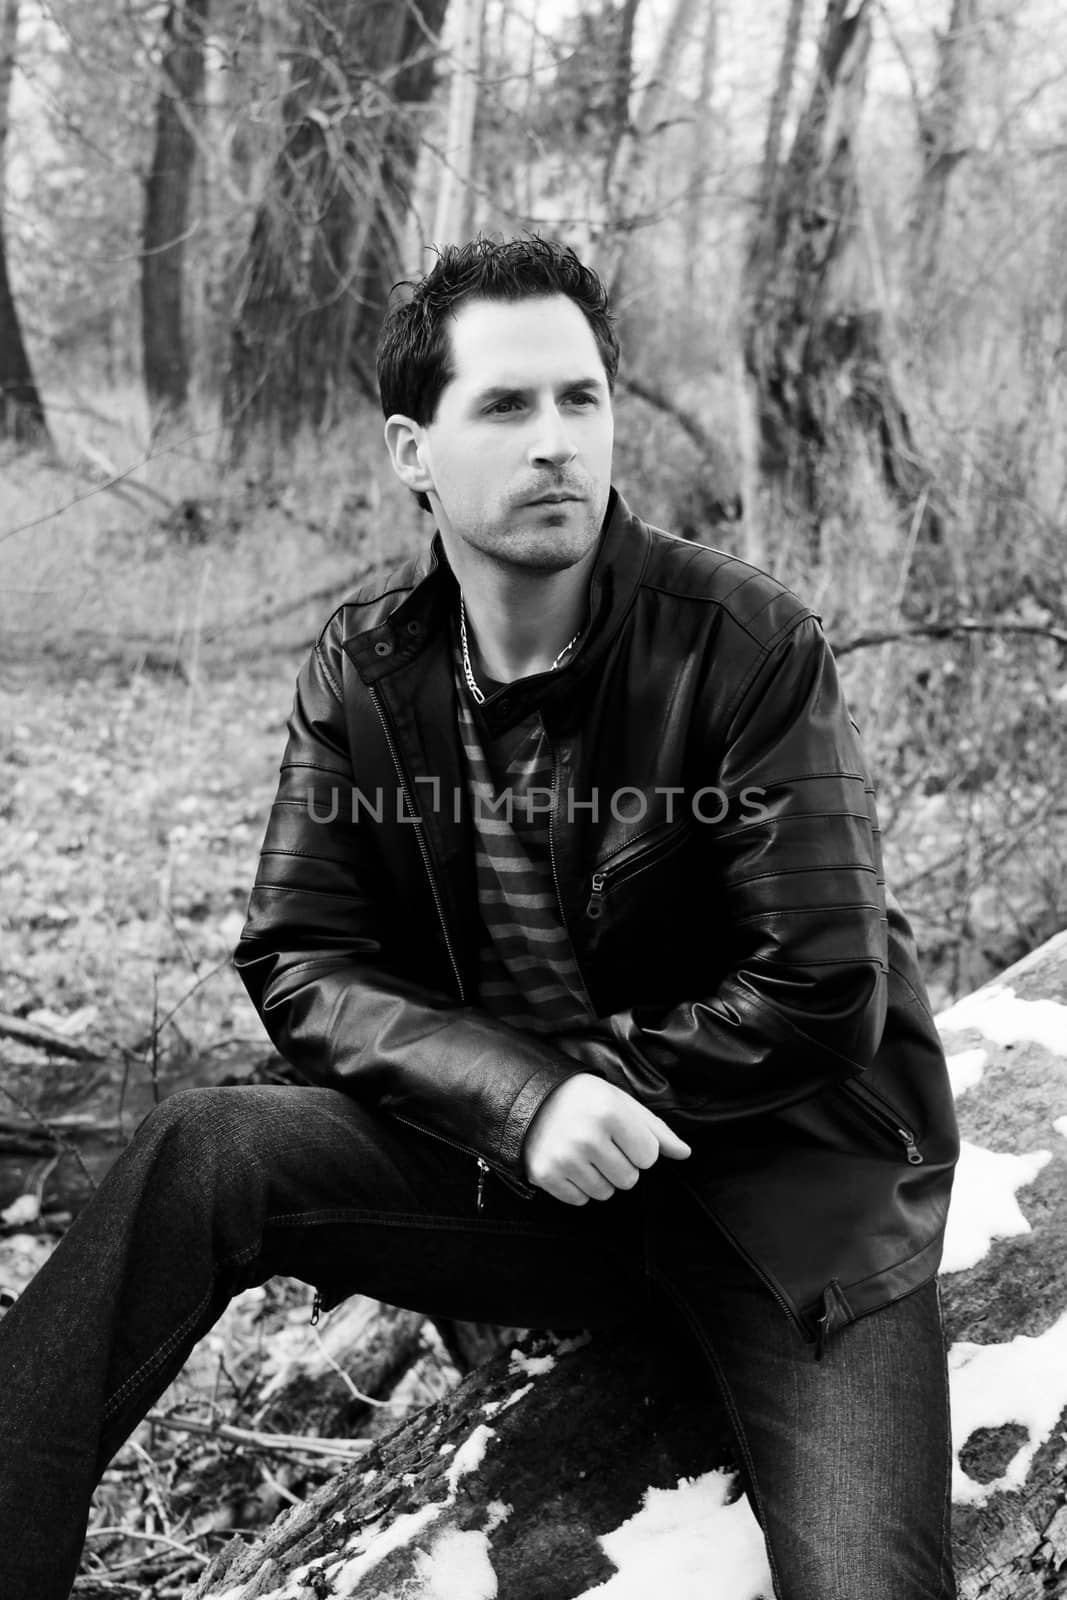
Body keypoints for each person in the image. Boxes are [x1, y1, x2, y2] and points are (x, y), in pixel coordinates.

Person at [0, 235, 959, 1599]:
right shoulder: (370, 663)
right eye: (506, 407)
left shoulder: (746, 646)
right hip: (543, 1191)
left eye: (581, 400)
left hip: (791, 1218)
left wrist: (594, 1090)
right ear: (412, 450)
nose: (556, 442)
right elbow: (302, 956)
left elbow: (822, 985)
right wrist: (524, 1106)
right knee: (203, 1149)